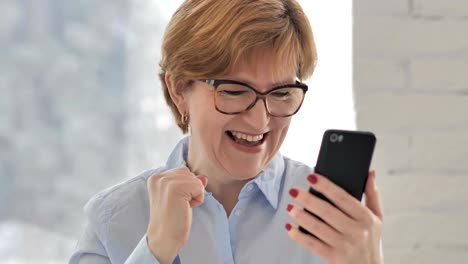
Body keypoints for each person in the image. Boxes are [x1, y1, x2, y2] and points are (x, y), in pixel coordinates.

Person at [69, 0, 384, 263]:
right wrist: (156, 249)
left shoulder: (336, 222)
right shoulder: (113, 218)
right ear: (179, 90)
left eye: (281, 93)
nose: (260, 121)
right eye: (234, 91)